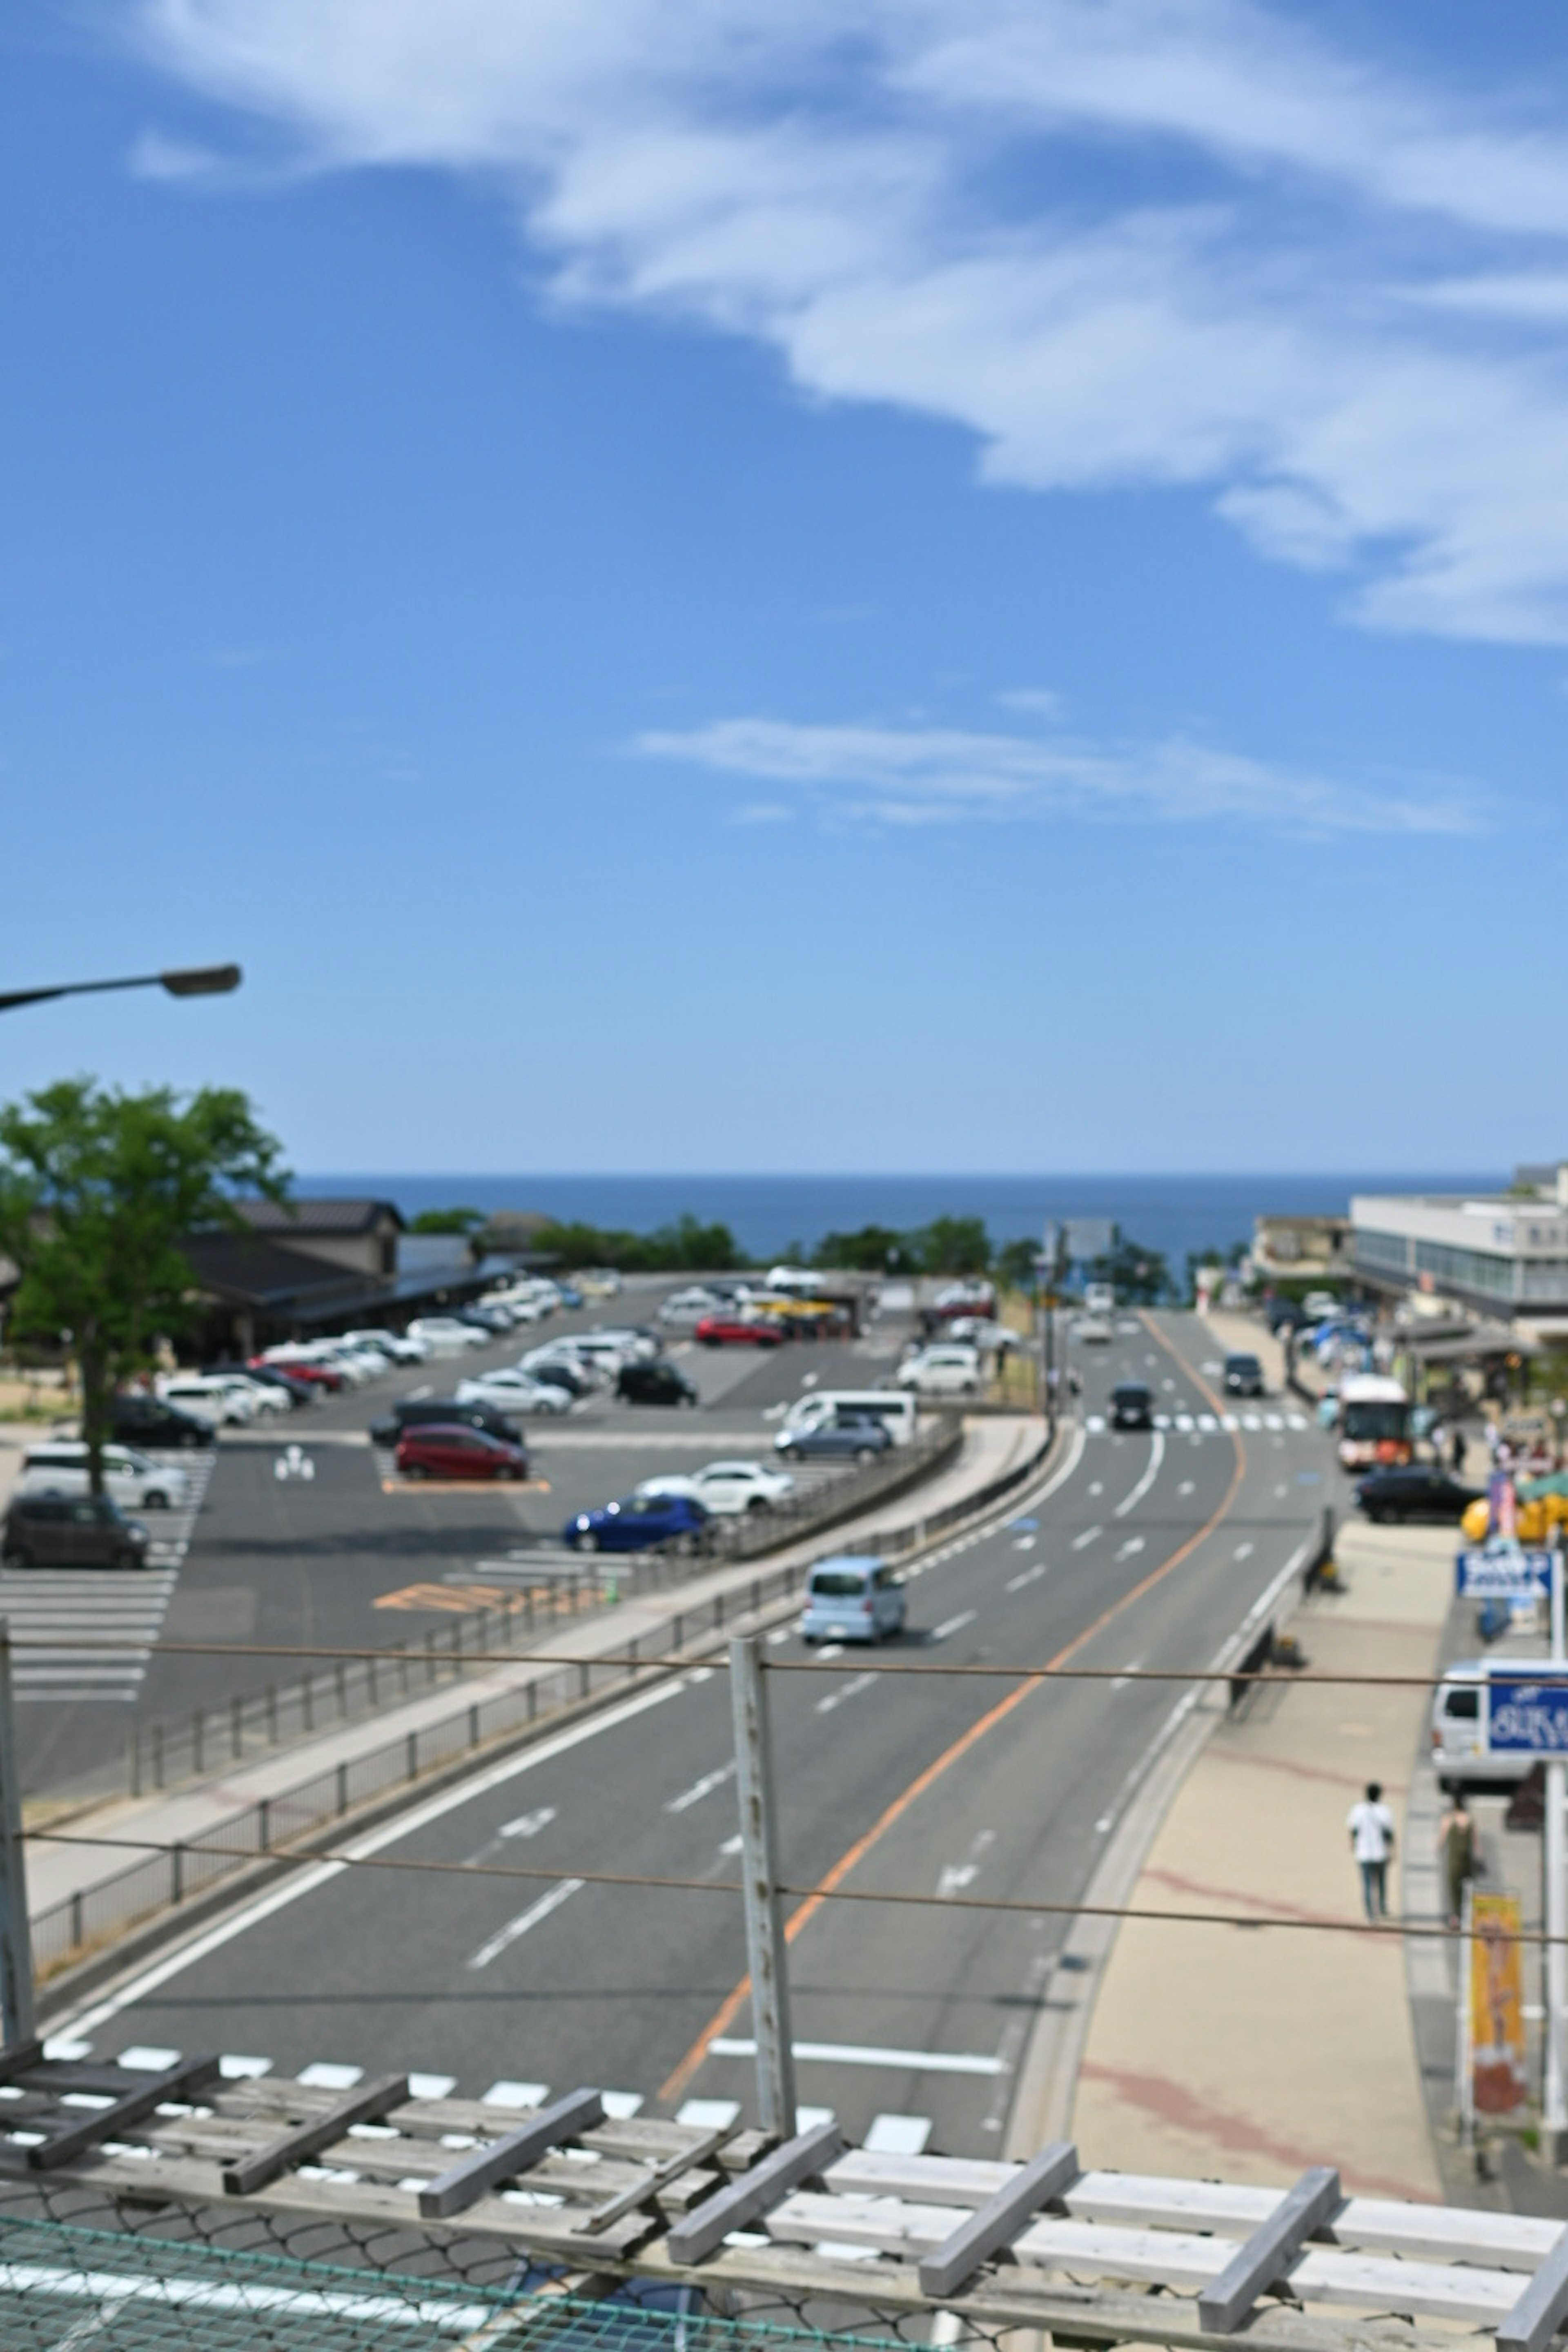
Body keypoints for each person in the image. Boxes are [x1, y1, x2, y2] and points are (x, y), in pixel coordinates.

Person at [1347, 1780, 1396, 1920]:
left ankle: (1370, 1913)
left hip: (1364, 1853)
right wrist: (1393, 1850)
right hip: (1380, 1852)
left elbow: (1353, 1830)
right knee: (1381, 1882)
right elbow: (1389, 1834)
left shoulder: (1358, 1810)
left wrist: (1352, 1844)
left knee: (1367, 1884)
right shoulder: (1385, 1811)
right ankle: (1381, 1907)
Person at [1438, 1793, 1477, 1929]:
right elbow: (1475, 1841)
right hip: (1467, 1860)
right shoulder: (1470, 1819)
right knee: (1468, 1889)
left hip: (1454, 1860)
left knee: (1454, 1889)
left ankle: (1456, 1917)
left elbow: (1442, 1840)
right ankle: (1468, 1915)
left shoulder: (1449, 1820)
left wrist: (1439, 1849)